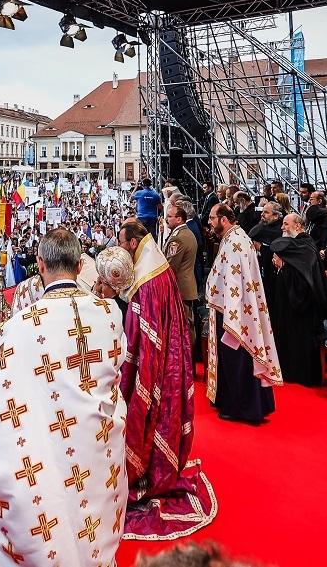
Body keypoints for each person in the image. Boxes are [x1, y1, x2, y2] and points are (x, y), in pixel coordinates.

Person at [0, 228, 127, 566]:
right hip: (97, 447)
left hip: (49, 448)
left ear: (40, 264)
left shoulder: (21, 324)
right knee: (93, 524)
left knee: (55, 514)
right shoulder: (110, 313)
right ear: (81, 263)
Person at [111, 221, 214, 539]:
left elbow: (142, 330)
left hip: (156, 364)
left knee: (150, 415)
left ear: (131, 243)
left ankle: (148, 473)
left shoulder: (148, 277)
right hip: (170, 355)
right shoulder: (152, 261)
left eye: (121, 241)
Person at [205, 204, 281, 422]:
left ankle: (242, 408)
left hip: (236, 313)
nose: (209, 222)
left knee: (238, 361)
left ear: (224, 219)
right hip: (231, 309)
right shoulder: (233, 237)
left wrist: (232, 315)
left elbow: (236, 282)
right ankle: (236, 402)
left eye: (212, 218)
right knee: (235, 361)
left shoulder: (236, 243)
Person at [266, 213, 326, 387]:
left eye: (286, 224)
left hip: (304, 306)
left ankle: (300, 373)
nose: (282, 227)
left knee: (299, 338)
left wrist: (283, 266)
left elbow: (304, 279)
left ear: (298, 226)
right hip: (292, 303)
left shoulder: (306, 245)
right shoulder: (298, 244)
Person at [162, 203, 200, 332]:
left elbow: (170, 265)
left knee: (184, 325)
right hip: (186, 286)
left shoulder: (178, 238)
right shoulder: (185, 233)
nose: (167, 219)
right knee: (187, 323)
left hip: (180, 287)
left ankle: (187, 352)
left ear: (179, 219)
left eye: (169, 216)